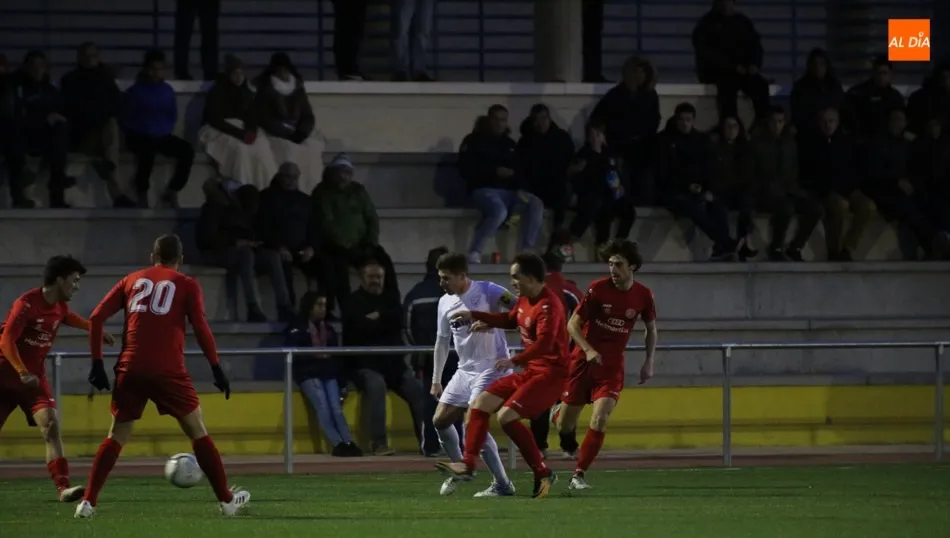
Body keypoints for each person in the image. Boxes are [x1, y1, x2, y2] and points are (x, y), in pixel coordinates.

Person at [75, 234, 250, 518]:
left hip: (130, 366)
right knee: (197, 430)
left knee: (116, 435)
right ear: (180, 260)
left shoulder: (131, 280)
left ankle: (88, 503)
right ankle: (227, 501)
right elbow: (201, 328)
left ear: (152, 257)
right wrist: (216, 367)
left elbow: (95, 318)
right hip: (169, 370)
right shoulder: (186, 284)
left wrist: (97, 364)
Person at [435, 253, 569, 499]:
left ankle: (540, 471)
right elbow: (509, 319)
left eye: (515, 277)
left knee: (506, 416)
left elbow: (546, 343)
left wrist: (514, 360)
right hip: (531, 372)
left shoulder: (549, 305)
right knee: (479, 405)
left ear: (530, 277)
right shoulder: (526, 300)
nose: (513, 283)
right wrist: (478, 316)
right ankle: (468, 464)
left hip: (551, 375)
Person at [0, 255, 113, 503]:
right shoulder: (26, 304)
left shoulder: (59, 306)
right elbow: (6, 340)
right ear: (60, 280)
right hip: (6, 376)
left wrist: (94, 329)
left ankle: (63, 488)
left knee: (51, 425)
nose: (77, 286)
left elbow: (67, 318)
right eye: (74, 280)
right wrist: (21, 371)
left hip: (34, 380)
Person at [557, 239, 657, 490]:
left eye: (619, 264)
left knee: (600, 419)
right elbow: (572, 325)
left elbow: (651, 329)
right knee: (564, 425)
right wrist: (588, 349)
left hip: (611, 367)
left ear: (632, 266)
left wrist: (649, 361)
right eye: (610, 264)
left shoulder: (643, 295)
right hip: (583, 362)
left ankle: (578, 474)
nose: (613, 269)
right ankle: (559, 417)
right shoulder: (597, 289)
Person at [431, 252, 517, 498]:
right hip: (464, 370)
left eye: (446, 278)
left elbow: (522, 311)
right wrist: (437, 378)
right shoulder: (444, 303)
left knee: (473, 422)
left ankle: (502, 483)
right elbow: (442, 340)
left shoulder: (489, 291)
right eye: (440, 278)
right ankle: (463, 467)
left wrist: (494, 322)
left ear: (462, 276)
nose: (442, 283)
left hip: (492, 367)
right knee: (440, 422)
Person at [285, 291, 361, 457]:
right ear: (309, 306)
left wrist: (341, 382)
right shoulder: (296, 327)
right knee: (323, 407)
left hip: (328, 373)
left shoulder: (329, 329)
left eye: (325, 305)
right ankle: (337, 443)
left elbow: (336, 357)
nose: (323, 309)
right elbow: (296, 355)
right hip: (309, 374)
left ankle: (349, 441)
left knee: (336, 408)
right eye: (319, 305)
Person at [122, 49, 195, 208]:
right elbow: (127, 117)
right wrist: (143, 129)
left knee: (187, 151)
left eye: (160, 69)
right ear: (147, 69)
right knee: (146, 154)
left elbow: (172, 114)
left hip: (162, 135)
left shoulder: (167, 91)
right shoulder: (135, 91)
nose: (157, 73)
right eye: (153, 69)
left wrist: (163, 130)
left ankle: (173, 190)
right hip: (140, 135)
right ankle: (142, 192)